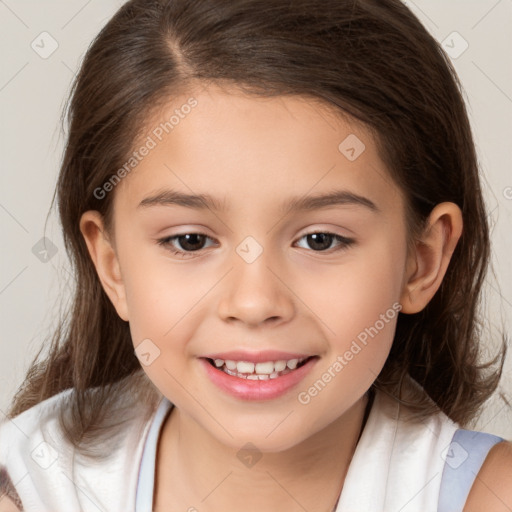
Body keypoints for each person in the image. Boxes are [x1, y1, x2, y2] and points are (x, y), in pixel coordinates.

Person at [1, 0, 511, 510]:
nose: (254, 302)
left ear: (421, 260)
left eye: (320, 240)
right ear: (112, 266)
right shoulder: (26, 490)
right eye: (190, 241)